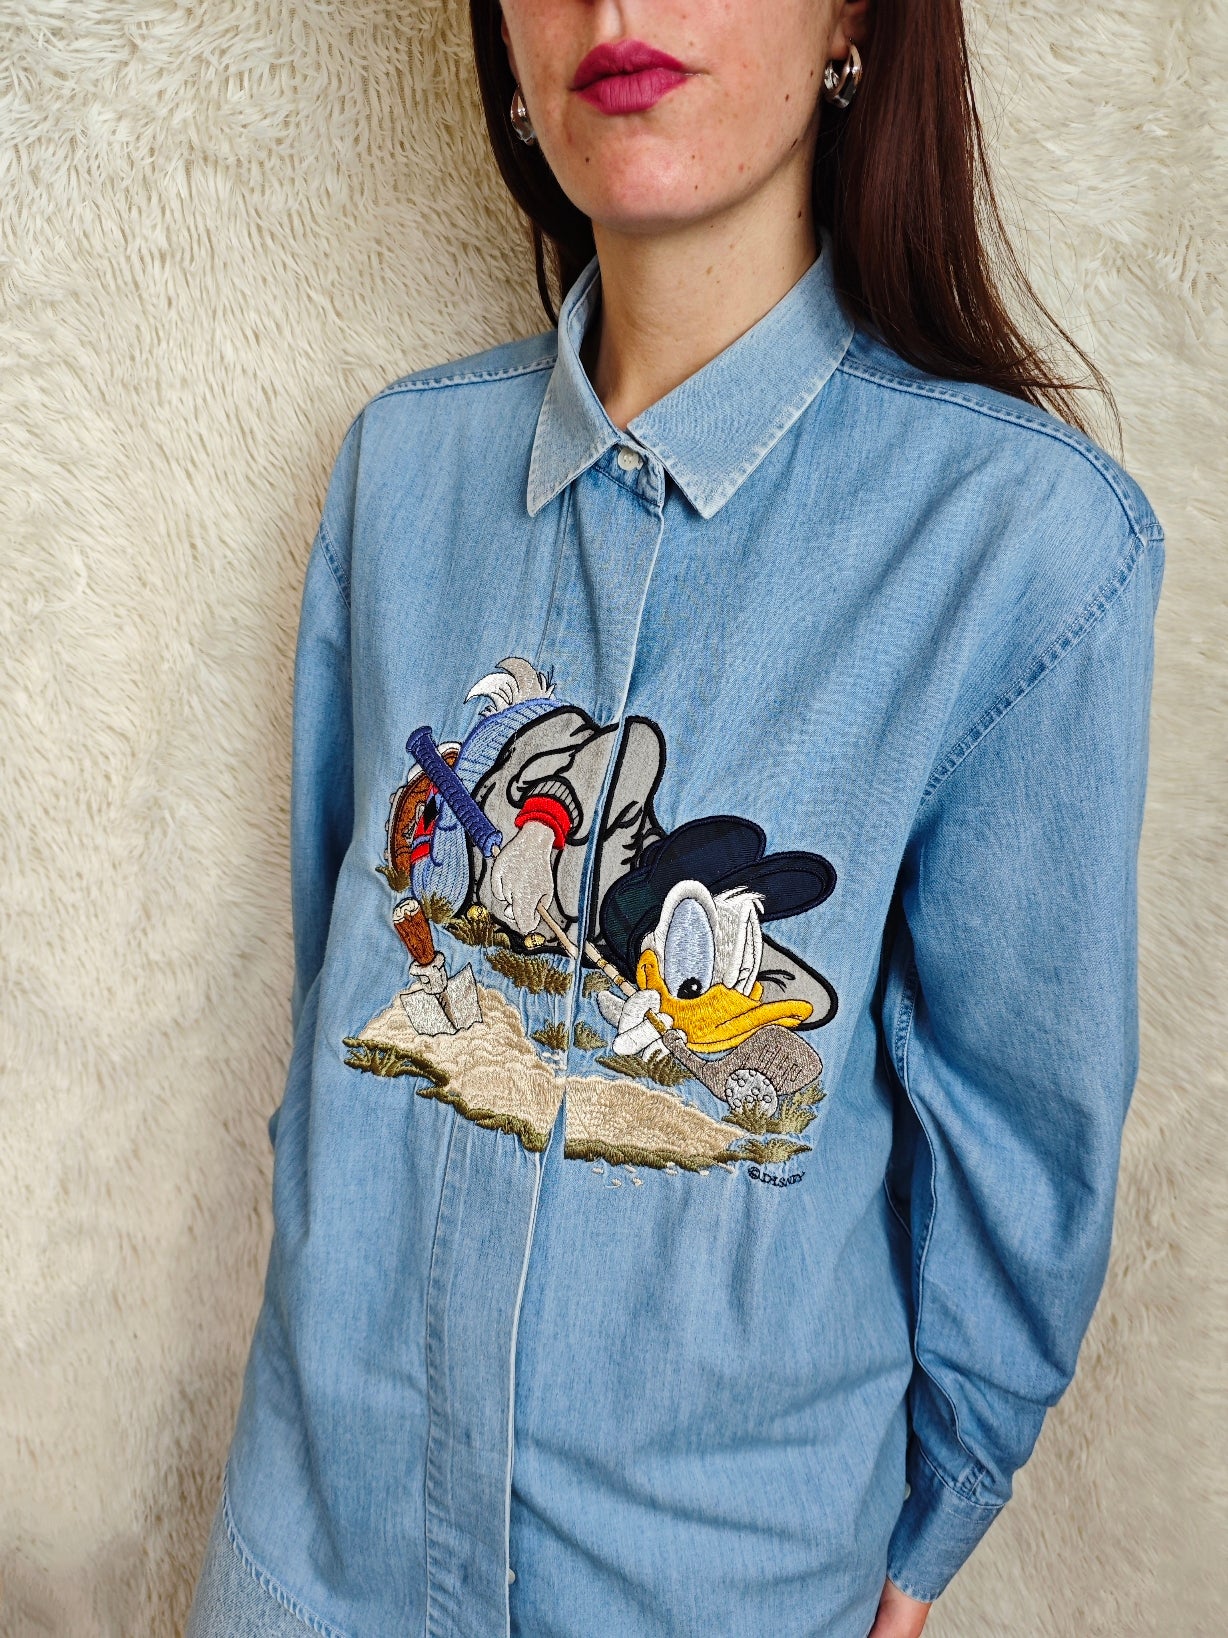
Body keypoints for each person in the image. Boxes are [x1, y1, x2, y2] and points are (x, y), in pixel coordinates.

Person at [186, 1, 1164, 1634]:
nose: (615, 7)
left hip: (712, 1587)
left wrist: (928, 1526)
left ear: (852, 18)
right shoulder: (399, 474)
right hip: (310, 1554)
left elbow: (1021, 1142)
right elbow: (337, 998)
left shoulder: (1024, 549)